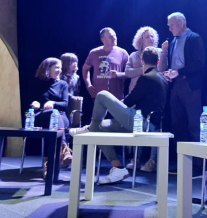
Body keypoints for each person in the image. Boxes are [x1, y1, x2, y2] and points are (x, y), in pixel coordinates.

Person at [70, 47, 168, 184]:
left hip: (141, 122)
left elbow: (130, 100)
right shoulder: (162, 78)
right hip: (149, 124)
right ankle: (118, 167)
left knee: (102, 95)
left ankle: (90, 125)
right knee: (97, 128)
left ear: (142, 60)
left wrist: (115, 105)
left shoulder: (147, 77)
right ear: (158, 61)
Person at [162, 12, 205, 173]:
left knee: (194, 124)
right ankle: (182, 162)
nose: (169, 28)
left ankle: (198, 164)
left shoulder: (194, 38)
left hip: (190, 86)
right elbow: (174, 64)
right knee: (177, 124)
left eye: (171, 25)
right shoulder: (173, 41)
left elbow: (199, 64)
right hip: (176, 87)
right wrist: (170, 73)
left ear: (181, 23)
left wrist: (178, 72)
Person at [124, 26, 167, 173]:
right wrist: (144, 69)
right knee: (137, 127)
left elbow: (161, 71)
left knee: (153, 126)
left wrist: (148, 69)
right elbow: (127, 72)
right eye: (148, 36)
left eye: (152, 36)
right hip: (136, 94)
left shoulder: (160, 53)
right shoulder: (134, 55)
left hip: (151, 98)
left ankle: (152, 160)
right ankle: (135, 158)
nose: (151, 39)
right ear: (140, 40)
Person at [30, 58, 73, 175]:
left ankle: (49, 167)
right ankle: (64, 150)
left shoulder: (63, 84)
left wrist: (53, 103)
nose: (59, 70)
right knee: (53, 115)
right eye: (57, 68)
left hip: (61, 117)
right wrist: (35, 104)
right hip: (42, 116)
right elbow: (30, 101)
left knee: (55, 116)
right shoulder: (37, 82)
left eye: (60, 68)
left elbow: (65, 104)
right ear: (48, 69)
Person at [82, 27, 129, 101]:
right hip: (98, 95)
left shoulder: (123, 53)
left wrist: (118, 74)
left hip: (116, 96)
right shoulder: (94, 53)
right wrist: (88, 85)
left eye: (115, 35)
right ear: (103, 40)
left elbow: (130, 72)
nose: (114, 38)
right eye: (111, 36)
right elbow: (85, 69)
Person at [60, 53, 83, 127]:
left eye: (76, 61)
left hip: (73, 101)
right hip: (63, 101)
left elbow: (76, 91)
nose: (75, 64)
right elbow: (60, 91)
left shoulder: (76, 77)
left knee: (75, 118)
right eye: (72, 62)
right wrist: (70, 96)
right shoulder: (60, 76)